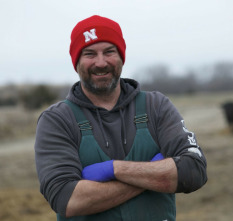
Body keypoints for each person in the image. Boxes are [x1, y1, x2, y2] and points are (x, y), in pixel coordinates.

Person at [34, 15, 207, 221]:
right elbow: (67, 199)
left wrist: (113, 169)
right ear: (76, 62)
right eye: (89, 54)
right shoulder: (57, 120)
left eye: (109, 51)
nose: (100, 62)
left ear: (121, 57)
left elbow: (193, 171)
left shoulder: (156, 106)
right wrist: (157, 174)